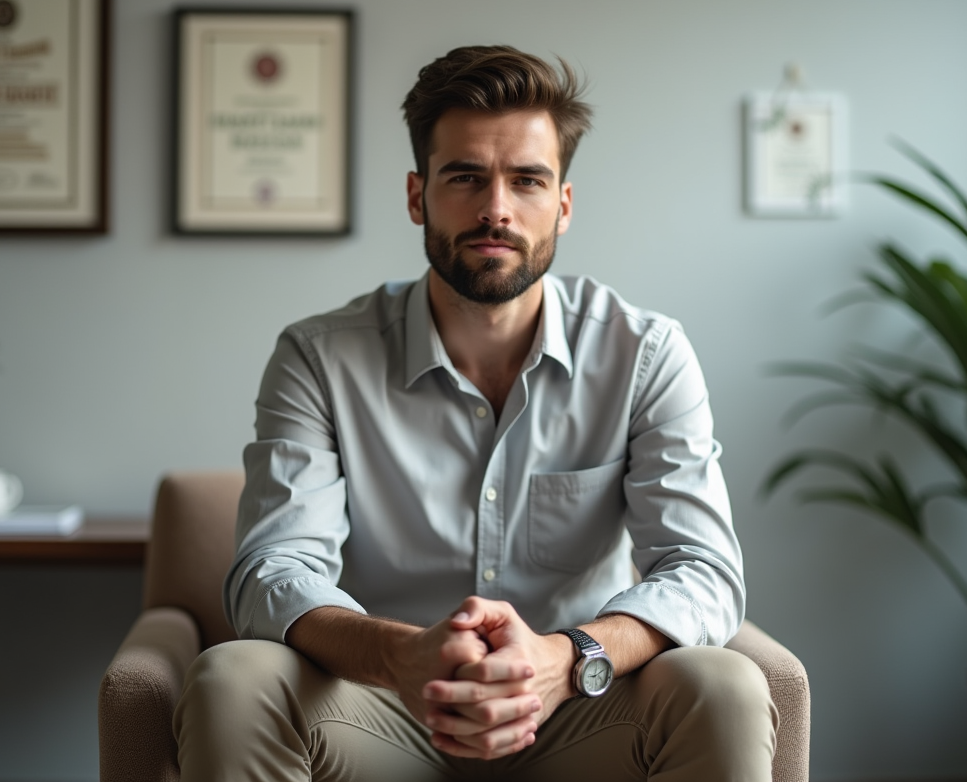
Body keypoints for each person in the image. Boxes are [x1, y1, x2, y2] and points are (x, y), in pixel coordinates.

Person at [174, 45, 778, 781]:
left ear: (562, 203)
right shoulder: (318, 357)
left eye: (526, 180)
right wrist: (401, 655)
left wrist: (569, 656)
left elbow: (703, 570)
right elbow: (273, 569)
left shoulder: (645, 353)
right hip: (384, 709)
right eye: (465, 177)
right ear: (416, 195)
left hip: (579, 707)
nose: (496, 208)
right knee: (234, 677)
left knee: (725, 685)